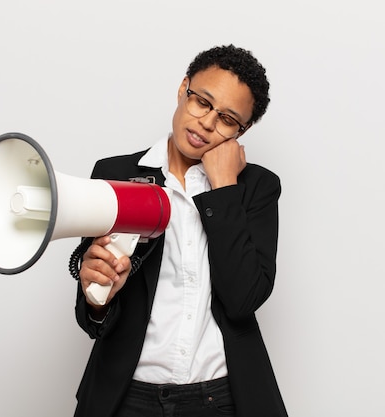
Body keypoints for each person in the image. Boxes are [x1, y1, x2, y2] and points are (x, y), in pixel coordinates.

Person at [72, 44, 289, 417]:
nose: (206, 122)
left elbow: (243, 299)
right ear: (182, 88)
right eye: (202, 102)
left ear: (243, 130)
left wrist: (224, 188)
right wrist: (95, 295)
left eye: (227, 119)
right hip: (127, 397)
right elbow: (92, 317)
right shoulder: (116, 174)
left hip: (221, 398)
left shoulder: (257, 187)